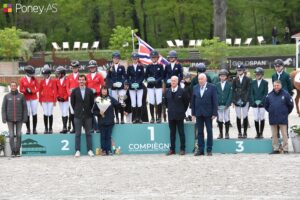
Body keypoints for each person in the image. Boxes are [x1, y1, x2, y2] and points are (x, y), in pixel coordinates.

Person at [192, 73, 218, 156]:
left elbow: (215, 101)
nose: (200, 80)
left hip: (209, 113)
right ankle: (201, 149)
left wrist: (214, 113)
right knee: (200, 132)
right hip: (199, 113)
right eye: (199, 79)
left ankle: (209, 149)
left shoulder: (212, 87)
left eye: (202, 79)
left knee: (209, 131)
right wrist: (193, 113)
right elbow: (193, 101)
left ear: (205, 79)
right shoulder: (195, 87)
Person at [265, 80, 294, 154]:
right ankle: (276, 148)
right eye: (275, 85)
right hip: (273, 117)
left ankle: (285, 148)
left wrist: (285, 113)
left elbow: (290, 105)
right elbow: (266, 106)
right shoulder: (269, 95)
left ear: (280, 85)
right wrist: (272, 111)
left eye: (277, 85)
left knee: (284, 134)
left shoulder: (286, 94)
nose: (276, 87)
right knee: (274, 134)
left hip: (283, 117)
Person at [71, 75, 95, 157]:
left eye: (83, 80)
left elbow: (92, 103)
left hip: (88, 116)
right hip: (78, 116)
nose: (81, 81)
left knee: (88, 133)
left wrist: (87, 110)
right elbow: (72, 103)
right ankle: (77, 150)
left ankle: (90, 150)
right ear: (78, 81)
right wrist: (78, 110)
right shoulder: (74, 91)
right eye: (80, 80)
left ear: (85, 81)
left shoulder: (90, 91)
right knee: (77, 134)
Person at [2, 82, 27, 157]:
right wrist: (4, 117)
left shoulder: (21, 96)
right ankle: (13, 151)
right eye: (12, 86)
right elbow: (3, 108)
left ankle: (18, 151)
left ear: (17, 87)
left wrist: (25, 117)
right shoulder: (6, 96)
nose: (13, 87)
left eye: (14, 86)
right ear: (10, 87)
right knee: (11, 135)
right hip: (9, 119)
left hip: (19, 119)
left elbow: (25, 108)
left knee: (19, 135)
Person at [165, 76, 189, 155]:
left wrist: (182, 111)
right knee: (172, 133)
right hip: (171, 115)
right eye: (172, 81)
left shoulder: (182, 91)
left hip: (180, 115)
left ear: (177, 81)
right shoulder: (167, 91)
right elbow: (166, 103)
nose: (173, 82)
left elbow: (186, 103)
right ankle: (172, 149)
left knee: (181, 132)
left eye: (174, 81)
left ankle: (182, 149)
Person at [93, 86, 119, 155]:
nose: (104, 91)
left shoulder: (111, 99)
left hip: (110, 121)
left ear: (107, 91)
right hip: (101, 122)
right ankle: (103, 150)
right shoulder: (98, 99)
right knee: (102, 137)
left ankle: (109, 150)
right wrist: (99, 113)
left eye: (105, 90)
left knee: (108, 136)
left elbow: (117, 105)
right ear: (101, 91)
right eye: (103, 90)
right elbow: (94, 111)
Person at [232, 64, 252, 138]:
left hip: (245, 100)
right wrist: (234, 101)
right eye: (238, 70)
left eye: (240, 70)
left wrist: (245, 100)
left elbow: (248, 90)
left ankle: (245, 132)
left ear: (243, 70)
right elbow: (233, 91)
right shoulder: (235, 79)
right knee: (238, 116)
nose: (239, 71)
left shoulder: (248, 79)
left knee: (245, 116)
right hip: (237, 100)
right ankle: (239, 132)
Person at [107, 52, 127, 124]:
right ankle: (117, 118)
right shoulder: (110, 67)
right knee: (115, 103)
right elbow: (108, 78)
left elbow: (124, 76)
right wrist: (112, 84)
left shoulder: (122, 67)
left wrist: (121, 83)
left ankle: (122, 118)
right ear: (112, 59)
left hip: (121, 87)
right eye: (114, 58)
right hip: (113, 88)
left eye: (117, 58)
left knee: (121, 102)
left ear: (119, 59)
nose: (116, 59)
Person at [145, 50, 165, 123]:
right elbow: (145, 76)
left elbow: (162, 76)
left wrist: (157, 80)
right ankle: (152, 117)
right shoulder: (148, 66)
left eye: (155, 57)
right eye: (152, 57)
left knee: (159, 101)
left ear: (157, 58)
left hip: (158, 86)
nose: (153, 59)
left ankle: (159, 117)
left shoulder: (160, 66)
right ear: (151, 58)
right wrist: (148, 80)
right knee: (151, 101)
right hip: (150, 86)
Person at [86, 59, 105, 133]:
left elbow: (103, 86)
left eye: (93, 67)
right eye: (90, 67)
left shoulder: (99, 76)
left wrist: (101, 94)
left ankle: (99, 127)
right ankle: (93, 127)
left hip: (97, 95)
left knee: (99, 111)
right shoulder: (87, 76)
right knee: (91, 112)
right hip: (89, 96)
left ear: (96, 67)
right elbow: (85, 86)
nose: (92, 68)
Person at [19, 65, 39, 134]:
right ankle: (28, 129)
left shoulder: (34, 79)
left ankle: (34, 129)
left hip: (34, 98)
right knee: (27, 114)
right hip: (26, 98)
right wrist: (25, 91)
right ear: (27, 72)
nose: (32, 75)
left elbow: (38, 88)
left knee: (34, 113)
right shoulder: (22, 79)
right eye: (31, 73)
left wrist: (33, 91)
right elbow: (20, 89)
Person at [250, 67, 268, 139]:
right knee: (256, 118)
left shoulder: (265, 83)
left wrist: (261, 101)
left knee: (262, 118)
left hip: (262, 103)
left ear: (262, 75)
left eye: (259, 74)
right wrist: (254, 101)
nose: (257, 76)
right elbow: (251, 93)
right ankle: (257, 133)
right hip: (255, 103)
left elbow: (265, 93)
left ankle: (261, 133)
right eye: (256, 74)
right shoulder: (252, 82)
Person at [127, 52, 144, 123]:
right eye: (133, 59)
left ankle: (139, 118)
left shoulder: (141, 67)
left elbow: (142, 76)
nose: (135, 60)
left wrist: (138, 83)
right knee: (133, 103)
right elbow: (127, 77)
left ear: (138, 59)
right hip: (132, 87)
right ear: (132, 59)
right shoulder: (129, 67)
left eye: (136, 59)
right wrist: (132, 84)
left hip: (139, 87)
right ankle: (134, 118)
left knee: (139, 102)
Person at [39, 66, 57, 134]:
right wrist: (40, 100)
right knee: (45, 113)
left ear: (49, 74)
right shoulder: (42, 81)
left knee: (50, 113)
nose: (44, 76)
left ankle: (50, 128)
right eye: (44, 75)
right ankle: (46, 128)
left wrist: (55, 100)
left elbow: (55, 91)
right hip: (44, 99)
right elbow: (40, 91)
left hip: (51, 99)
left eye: (46, 74)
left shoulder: (53, 81)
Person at [216, 69, 232, 139]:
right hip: (219, 105)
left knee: (226, 118)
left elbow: (230, 95)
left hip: (226, 105)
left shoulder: (229, 85)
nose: (222, 77)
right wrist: (217, 104)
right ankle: (220, 133)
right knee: (220, 119)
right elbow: (215, 95)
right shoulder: (216, 85)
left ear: (226, 77)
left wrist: (227, 104)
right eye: (221, 76)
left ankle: (227, 133)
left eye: (224, 76)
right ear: (219, 77)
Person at [66, 61, 80, 133]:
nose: (74, 69)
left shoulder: (80, 76)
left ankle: (79, 127)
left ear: (78, 68)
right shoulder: (69, 76)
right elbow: (67, 87)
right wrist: (70, 93)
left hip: (78, 97)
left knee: (78, 112)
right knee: (72, 112)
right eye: (73, 68)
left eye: (76, 67)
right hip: (71, 96)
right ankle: (74, 128)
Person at [55, 66, 69, 134]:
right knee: (62, 112)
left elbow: (67, 90)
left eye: (59, 73)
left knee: (65, 112)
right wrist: (57, 97)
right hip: (60, 99)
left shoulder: (67, 80)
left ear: (63, 74)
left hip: (65, 100)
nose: (57, 75)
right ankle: (64, 126)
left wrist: (65, 98)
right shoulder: (57, 80)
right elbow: (56, 90)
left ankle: (65, 127)